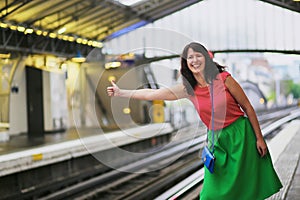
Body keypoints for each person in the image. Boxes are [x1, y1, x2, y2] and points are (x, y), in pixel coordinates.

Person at [107, 42, 282, 199]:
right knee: (211, 194)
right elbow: (153, 93)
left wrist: (259, 138)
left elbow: (248, 107)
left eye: (198, 55)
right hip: (217, 142)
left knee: (245, 186)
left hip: (241, 136)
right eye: (190, 57)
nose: (195, 60)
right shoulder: (189, 89)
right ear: (186, 63)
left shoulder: (224, 79)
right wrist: (122, 93)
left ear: (206, 58)